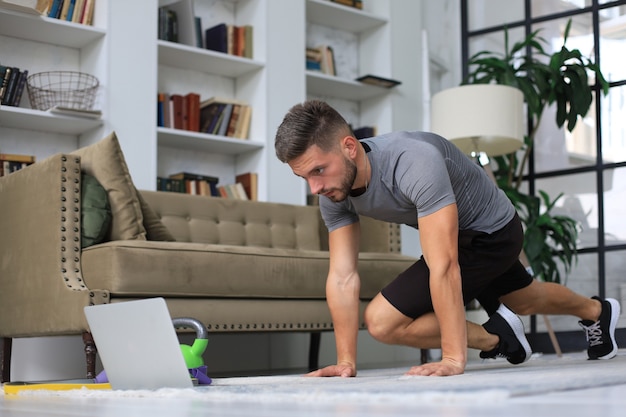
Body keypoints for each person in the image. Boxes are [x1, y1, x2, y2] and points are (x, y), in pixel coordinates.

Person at [274, 99, 621, 377]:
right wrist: (346, 362)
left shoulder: (411, 161)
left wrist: (454, 357)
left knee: (382, 321)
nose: (315, 187)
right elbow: (342, 276)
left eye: (319, 170)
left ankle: (498, 337)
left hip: (493, 233)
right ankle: (597, 311)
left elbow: (444, 265)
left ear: (349, 146)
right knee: (525, 299)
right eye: (305, 177)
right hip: (460, 238)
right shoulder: (333, 192)